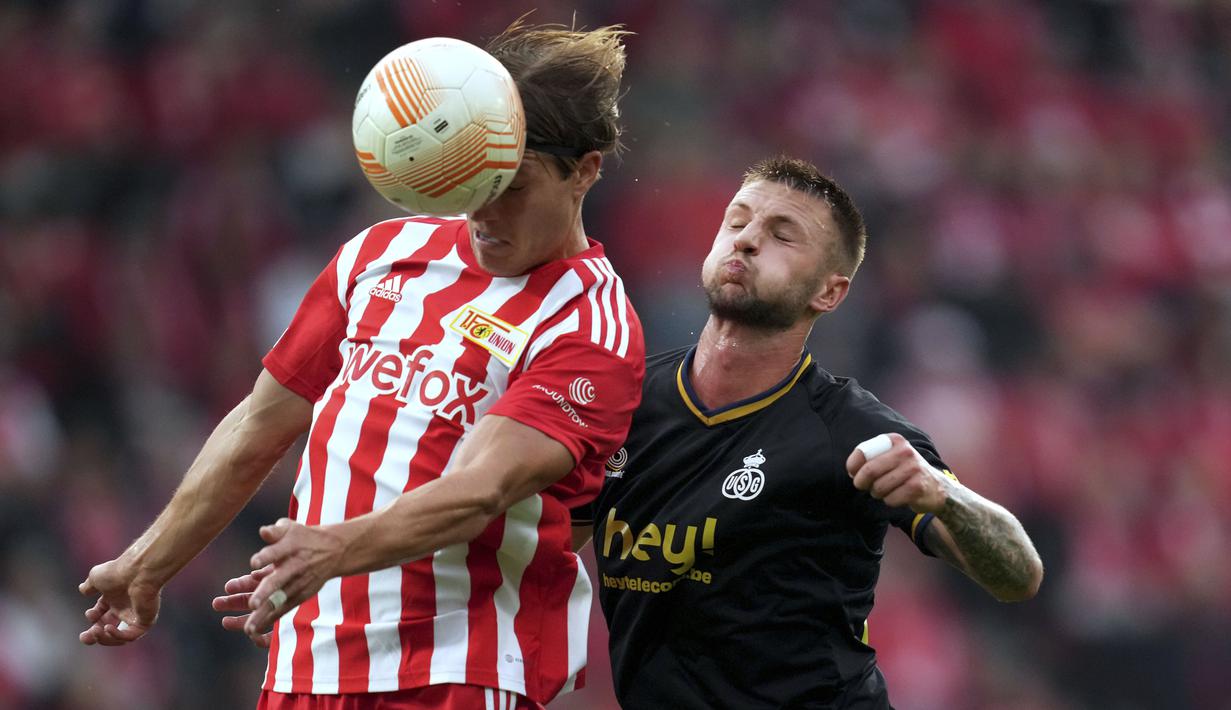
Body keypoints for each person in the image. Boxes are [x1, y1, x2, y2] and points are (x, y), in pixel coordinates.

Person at [77, 22, 645, 710]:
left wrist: (332, 550)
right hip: (306, 665)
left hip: (455, 670)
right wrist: (147, 564)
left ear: (584, 170)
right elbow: (259, 422)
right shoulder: (380, 255)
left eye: (511, 185)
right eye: (470, 174)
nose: (483, 208)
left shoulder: (590, 325)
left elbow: (480, 490)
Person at [578, 156, 1044, 709]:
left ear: (829, 292)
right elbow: (543, 545)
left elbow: (1018, 575)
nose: (746, 239)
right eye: (737, 221)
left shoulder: (853, 431)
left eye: (782, 235)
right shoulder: (624, 401)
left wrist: (944, 495)